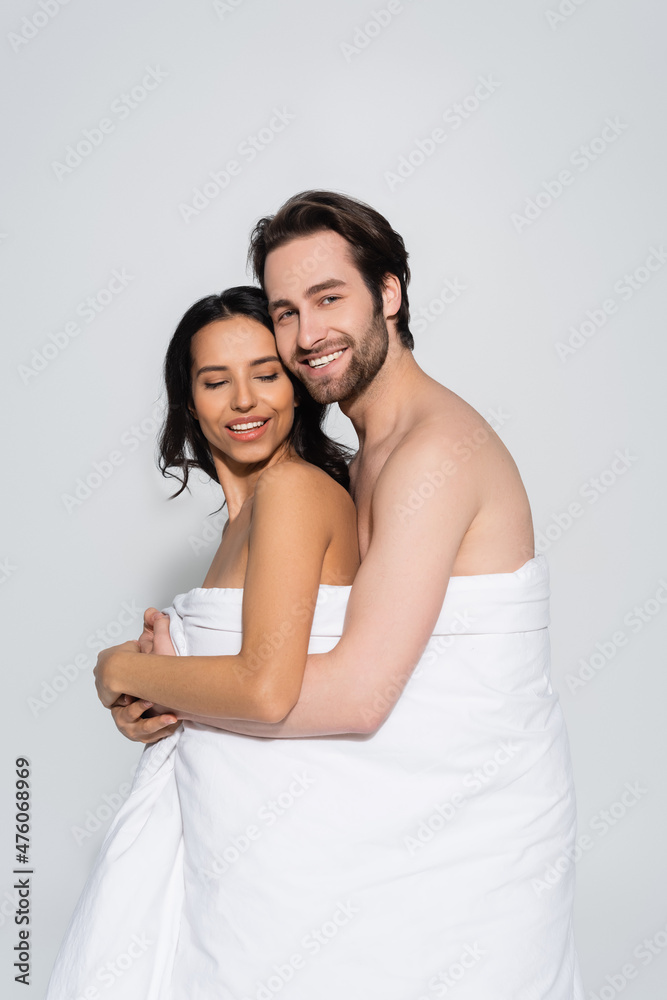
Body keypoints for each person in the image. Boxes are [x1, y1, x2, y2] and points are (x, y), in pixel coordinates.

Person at [101, 192, 584, 997]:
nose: (306, 334)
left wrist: (134, 672)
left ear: (388, 294)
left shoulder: (432, 452)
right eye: (285, 312)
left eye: (329, 299)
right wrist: (173, 679)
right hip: (390, 861)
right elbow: (309, 653)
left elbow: (355, 695)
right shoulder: (362, 464)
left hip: (471, 858)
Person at [44, 284, 360, 998]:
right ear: (188, 402)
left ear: (300, 386)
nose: (244, 401)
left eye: (267, 374)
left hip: (280, 839)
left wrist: (119, 668)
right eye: (216, 381)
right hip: (225, 833)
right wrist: (152, 700)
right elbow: (244, 681)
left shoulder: (294, 493)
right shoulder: (240, 524)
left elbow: (263, 690)